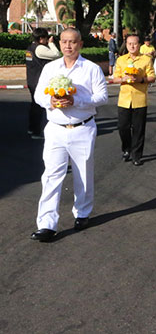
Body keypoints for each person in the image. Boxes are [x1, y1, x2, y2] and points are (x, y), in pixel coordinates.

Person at [30, 28, 108, 241]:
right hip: (55, 128)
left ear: (80, 44)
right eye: (64, 41)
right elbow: (38, 94)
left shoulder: (91, 69)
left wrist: (78, 101)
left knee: (83, 173)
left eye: (72, 42)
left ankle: (82, 213)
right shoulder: (50, 68)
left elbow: (102, 96)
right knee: (51, 175)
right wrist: (51, 102)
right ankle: (46, 224)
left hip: (82, 128)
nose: (68, 46)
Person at [113, 34, 156, 166]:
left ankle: (137, 155)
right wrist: (122, 79)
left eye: (135, 44)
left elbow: (152, 77)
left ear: (139, 45)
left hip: (139, 98)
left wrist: (141, 79)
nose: (132, 46)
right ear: (126, 45)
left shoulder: (146, 60)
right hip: (124, 99)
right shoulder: (121, 60)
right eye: (129, 44)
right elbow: (115, 78)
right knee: (123, 127)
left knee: (138, 128)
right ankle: (126, 149)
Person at [26, 28, 61, 139]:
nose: (47, 40)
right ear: (41, 39)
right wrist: (51, 44)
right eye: (46, 38)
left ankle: (32, 129)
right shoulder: (40, 48)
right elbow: (56, 54)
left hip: (31, 80)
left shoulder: (30, 47)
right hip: (38, 81)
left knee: (35, 105)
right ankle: (36, 131)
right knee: (39, 106)